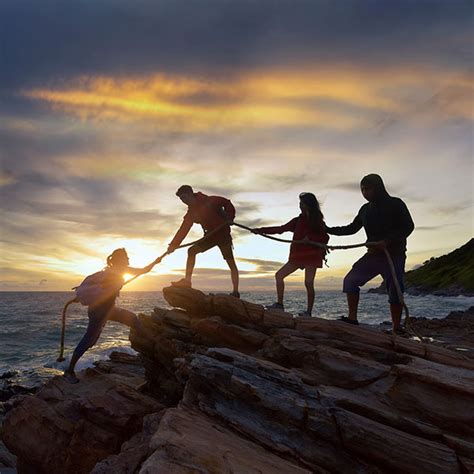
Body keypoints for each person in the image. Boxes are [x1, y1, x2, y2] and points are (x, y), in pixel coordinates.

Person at [326, 174, 414, 333]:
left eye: (368, 189)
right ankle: (352, 319)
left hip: (394, 255)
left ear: (378, 188)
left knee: (396, 289)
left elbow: (408, 226)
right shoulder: (365, 210)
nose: (364, 193)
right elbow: (351, 229)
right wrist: (327, 229)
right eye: (362, 190)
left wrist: (388, 241)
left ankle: (396, 327)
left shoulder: (396, 204)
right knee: (350, 280)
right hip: (373, 255)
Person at [63, 248, 160, 383]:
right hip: (98, 312)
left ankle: (154, 343)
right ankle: (69, 371)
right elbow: (100, 290)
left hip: (108, 310)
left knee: (133, 319)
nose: (128, 260)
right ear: (120, 260)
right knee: (89, 340)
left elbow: (143, 270)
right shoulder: (111, 274)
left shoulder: (118, 271)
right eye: (126, 258)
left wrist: (156, 262)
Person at [252, 192, 329, 317]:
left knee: (309, 283)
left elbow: (325, 237)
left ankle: (308, 312)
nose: (300, 206)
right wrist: (261, 231)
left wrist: (310, 238)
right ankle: (280, 304)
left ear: (309, 205)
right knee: (279, 276)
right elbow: (281, 229)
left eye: (302, 203)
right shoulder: (298, 221)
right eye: (300, 203)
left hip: (312, 255)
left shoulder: (318, 221)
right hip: (297, 256)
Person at [168, 185, 240, 297]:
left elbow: (227, 203)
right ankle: (187, 282)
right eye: (182, 199)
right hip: (210, 236)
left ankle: (235, 292)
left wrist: (230, 217)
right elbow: (183, 229)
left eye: (184, 197)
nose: (184, 201)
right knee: (191, 251)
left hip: (223, 235)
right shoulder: (191, 213)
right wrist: (173, 245)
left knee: (231, 263)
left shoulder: (209, 200)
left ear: (191, 194)